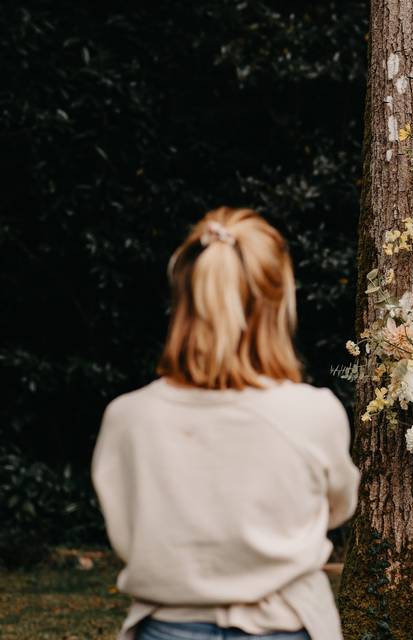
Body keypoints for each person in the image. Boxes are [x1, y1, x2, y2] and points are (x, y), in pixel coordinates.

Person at [93, 207, 360, 640]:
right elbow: (338, 506)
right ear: (278, 305)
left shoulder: (129, 417)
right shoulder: (314, 412)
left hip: (168, 627)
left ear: (184, 300)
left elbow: (125, 531)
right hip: (285, 624)